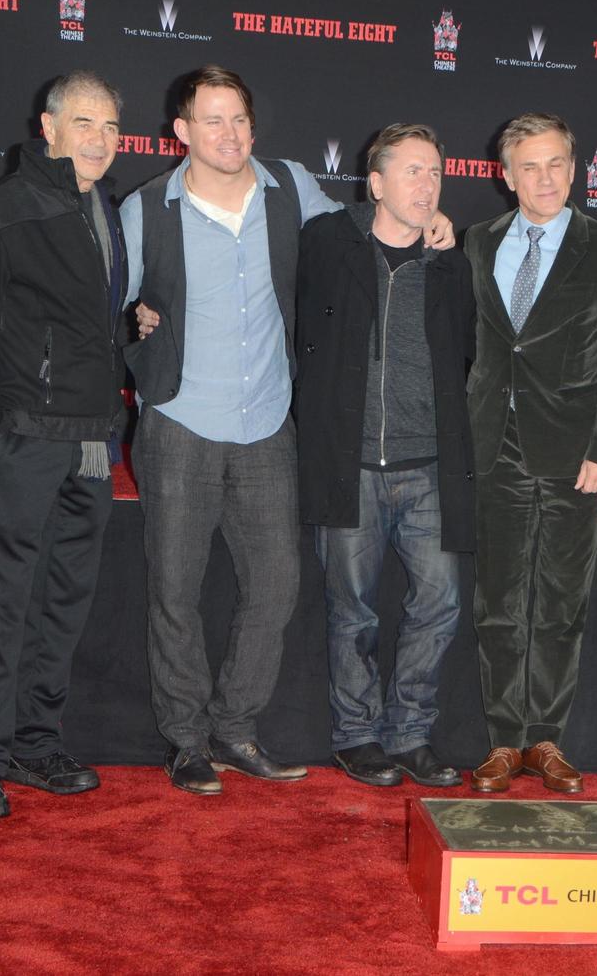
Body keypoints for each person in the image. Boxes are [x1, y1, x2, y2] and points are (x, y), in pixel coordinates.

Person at [123, 67, 454, 797]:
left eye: (239, 119)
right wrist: (136, 324)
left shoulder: (291, 188)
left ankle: (236, 727)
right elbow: (109, 302)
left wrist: (426, 221)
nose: (230, 135)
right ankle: (185, 741)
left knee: (276, 585)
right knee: (175, 591)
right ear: (181, 132)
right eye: (212, 121)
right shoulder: (147, 208)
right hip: (179, 421)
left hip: (272, 422)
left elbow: (358, 234)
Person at [0, 70, 127, 820]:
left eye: (111, 127)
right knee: (2, 601)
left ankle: (39, 742)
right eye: (84, 123)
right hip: (24, 441)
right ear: (47, 127)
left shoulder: (103, 208)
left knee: (64, 601)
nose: (100, 140)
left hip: (92, 441)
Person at [293, 123, 475, 788]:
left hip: (429, 468)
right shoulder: (328, 244)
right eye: (411, 171)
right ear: (375, 184)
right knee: (352, 611)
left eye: (434, 172)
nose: (426, 185)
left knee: (440, 603)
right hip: (350, 468)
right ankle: (356, 735)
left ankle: (410, 733)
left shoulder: (453, 263)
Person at [463, 112, 597, 794]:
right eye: (529, 167)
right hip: (492, 444)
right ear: (505, 177)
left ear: (576, 169)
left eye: (556, 164)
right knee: (498, 599)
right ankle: (504, 741)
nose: (545, 178)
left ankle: (547, 738)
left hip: (575, 452)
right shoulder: (477, 243)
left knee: (562, 600)